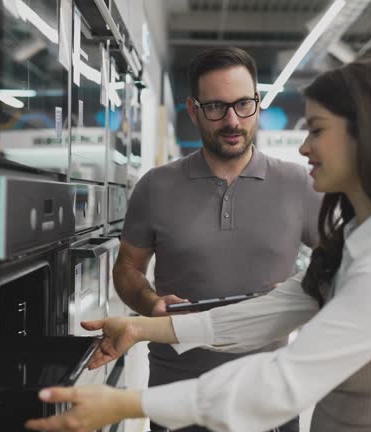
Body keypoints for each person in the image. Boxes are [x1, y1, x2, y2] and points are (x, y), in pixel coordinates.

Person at [24, 58, 371, 432]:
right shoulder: (363, 235)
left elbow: (284, 381)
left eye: (317, 130)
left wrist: (130, 402)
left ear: (370, 137)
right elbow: (269, 311)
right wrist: (142, 328)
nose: (303, 147)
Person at [107, 47, 320, 432]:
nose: (232, 120)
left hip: (268, 397)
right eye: (216, 108)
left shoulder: (299, 184)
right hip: (177, 397)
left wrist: (301, 291)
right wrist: (151, 302)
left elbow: (341, 264)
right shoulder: (156, 186)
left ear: (257, 101)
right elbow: (127, 269)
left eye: (244, 104)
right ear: (193, 110)